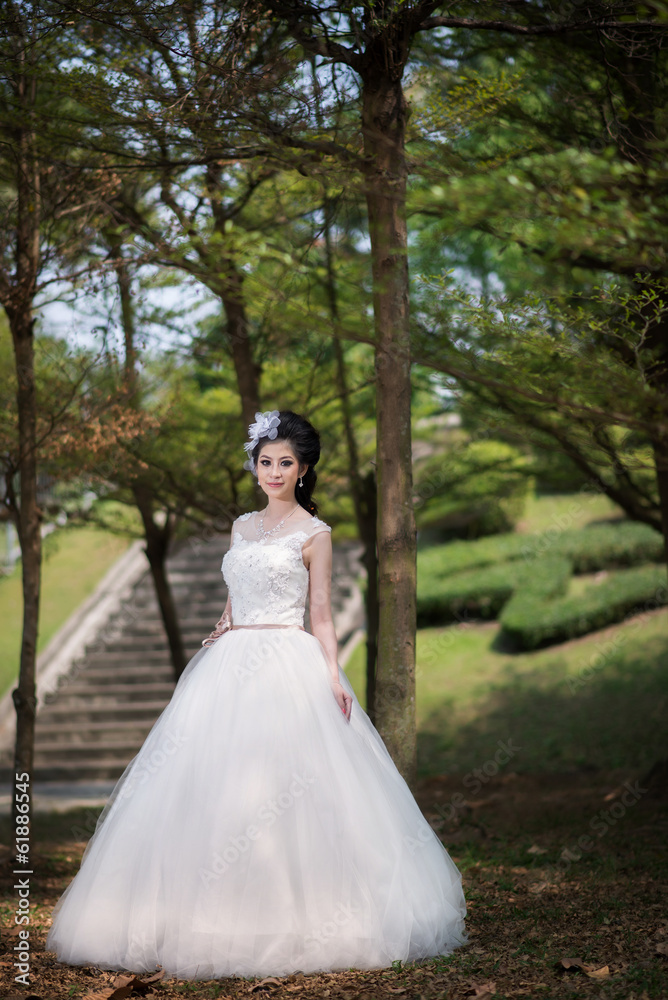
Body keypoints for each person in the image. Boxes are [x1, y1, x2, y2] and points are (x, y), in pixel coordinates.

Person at [46, 409, 467, 981]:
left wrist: (332, 673)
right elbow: (237, 589)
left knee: (288, 790)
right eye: (265, 462)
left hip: (285, 659)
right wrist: (224, 623)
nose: (273, 472)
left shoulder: (316, 535)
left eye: (284, 463)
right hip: (230, 660)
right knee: (210, 789)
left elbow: (319, 610)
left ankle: (298, 917)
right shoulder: (242, 526)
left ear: (303, 469)